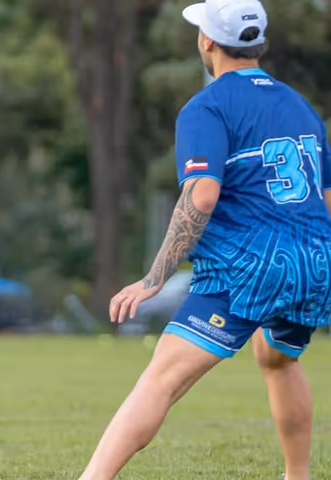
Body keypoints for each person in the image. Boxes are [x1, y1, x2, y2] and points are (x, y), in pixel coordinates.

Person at [79, 2, 331, 479]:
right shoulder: (301, 106)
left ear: (208, 41)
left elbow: (202, 194)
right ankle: (297, 476)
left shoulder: (207, 106)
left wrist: (154, 278)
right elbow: (325, 199)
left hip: (250, 265)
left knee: (162, 377)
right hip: (313, 261)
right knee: (277, 357)